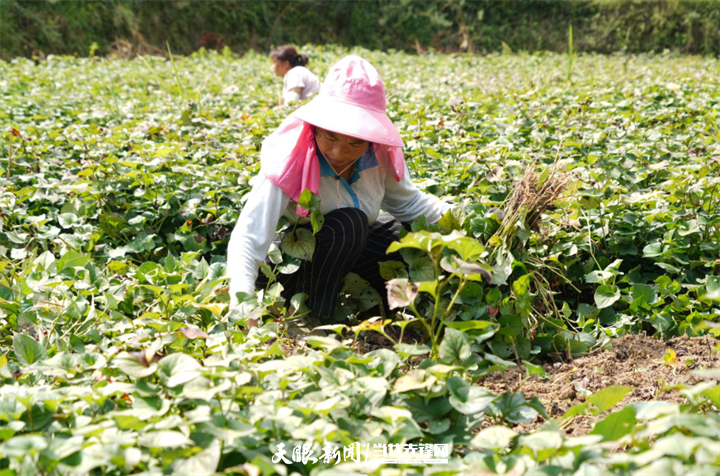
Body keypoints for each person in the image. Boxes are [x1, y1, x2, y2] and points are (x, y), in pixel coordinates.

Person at [227, 55, 452, 335]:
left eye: (355, 142)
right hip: (290, 268)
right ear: (316, 127)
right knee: (350, 222)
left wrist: (462, 224)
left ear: (371, 139)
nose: (337, 152)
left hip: (345, 252)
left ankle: (405, 311)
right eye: (330, 137)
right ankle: (308, 318)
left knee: (399, 234)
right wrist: (244, 309)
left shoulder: (380, 155)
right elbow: (249, 236)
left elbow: (410, 203)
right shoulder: (291, 158)